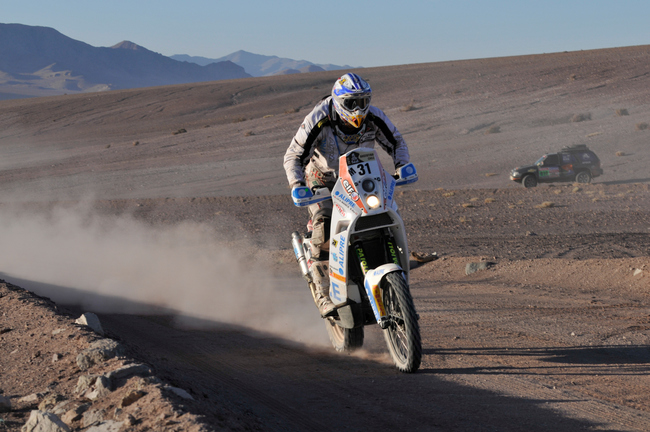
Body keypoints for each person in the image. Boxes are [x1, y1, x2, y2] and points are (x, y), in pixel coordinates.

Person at [283, 73, 411, 317]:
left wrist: (402, 165)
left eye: (364, 101)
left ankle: (392, 268)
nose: (359, 109)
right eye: (353, 103)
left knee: (385, 211)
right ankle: (323, 293)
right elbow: (294, 155)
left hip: (363, 179)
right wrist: (297, 184)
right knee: (324, 223)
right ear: (340, 102)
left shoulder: (374, 117)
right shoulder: (319, 119)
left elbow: (396, 142)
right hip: (323, 179)